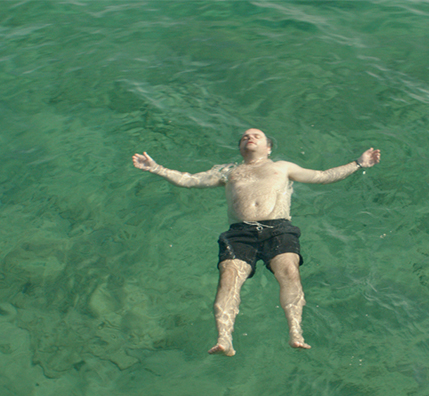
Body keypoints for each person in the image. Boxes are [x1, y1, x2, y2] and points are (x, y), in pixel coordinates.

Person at [132, 128, 381, 356]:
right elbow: (190, 180)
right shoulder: (229, 172)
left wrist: (358, 163)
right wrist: (156, 168)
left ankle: (295, 332)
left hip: (278, 228)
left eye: (256, 136)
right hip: (239, 232)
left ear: (268, 147)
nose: (249, 138)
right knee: (229, 279)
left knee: (289, 272)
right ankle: (224, 339)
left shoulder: (283, 167)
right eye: (244, 137)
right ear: (240, 148)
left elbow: (323, 176)